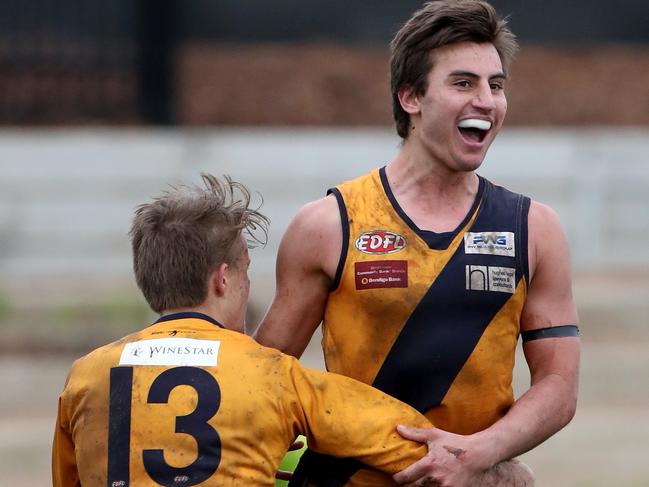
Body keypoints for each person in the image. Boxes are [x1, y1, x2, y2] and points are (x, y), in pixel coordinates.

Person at [255, 1, 580, 486]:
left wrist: (477, 453)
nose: (487, 101)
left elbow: (559, 386)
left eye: (496, 85)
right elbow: (262, 382)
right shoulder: (329, 225)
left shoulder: (534, 228)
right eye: (463, 83)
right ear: (411, 97)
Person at [52, 174, 447, 486]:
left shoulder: (85, 376)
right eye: (245, 273)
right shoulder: (274, 375)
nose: (248, 286)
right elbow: (417, 446)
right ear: (223, 280)